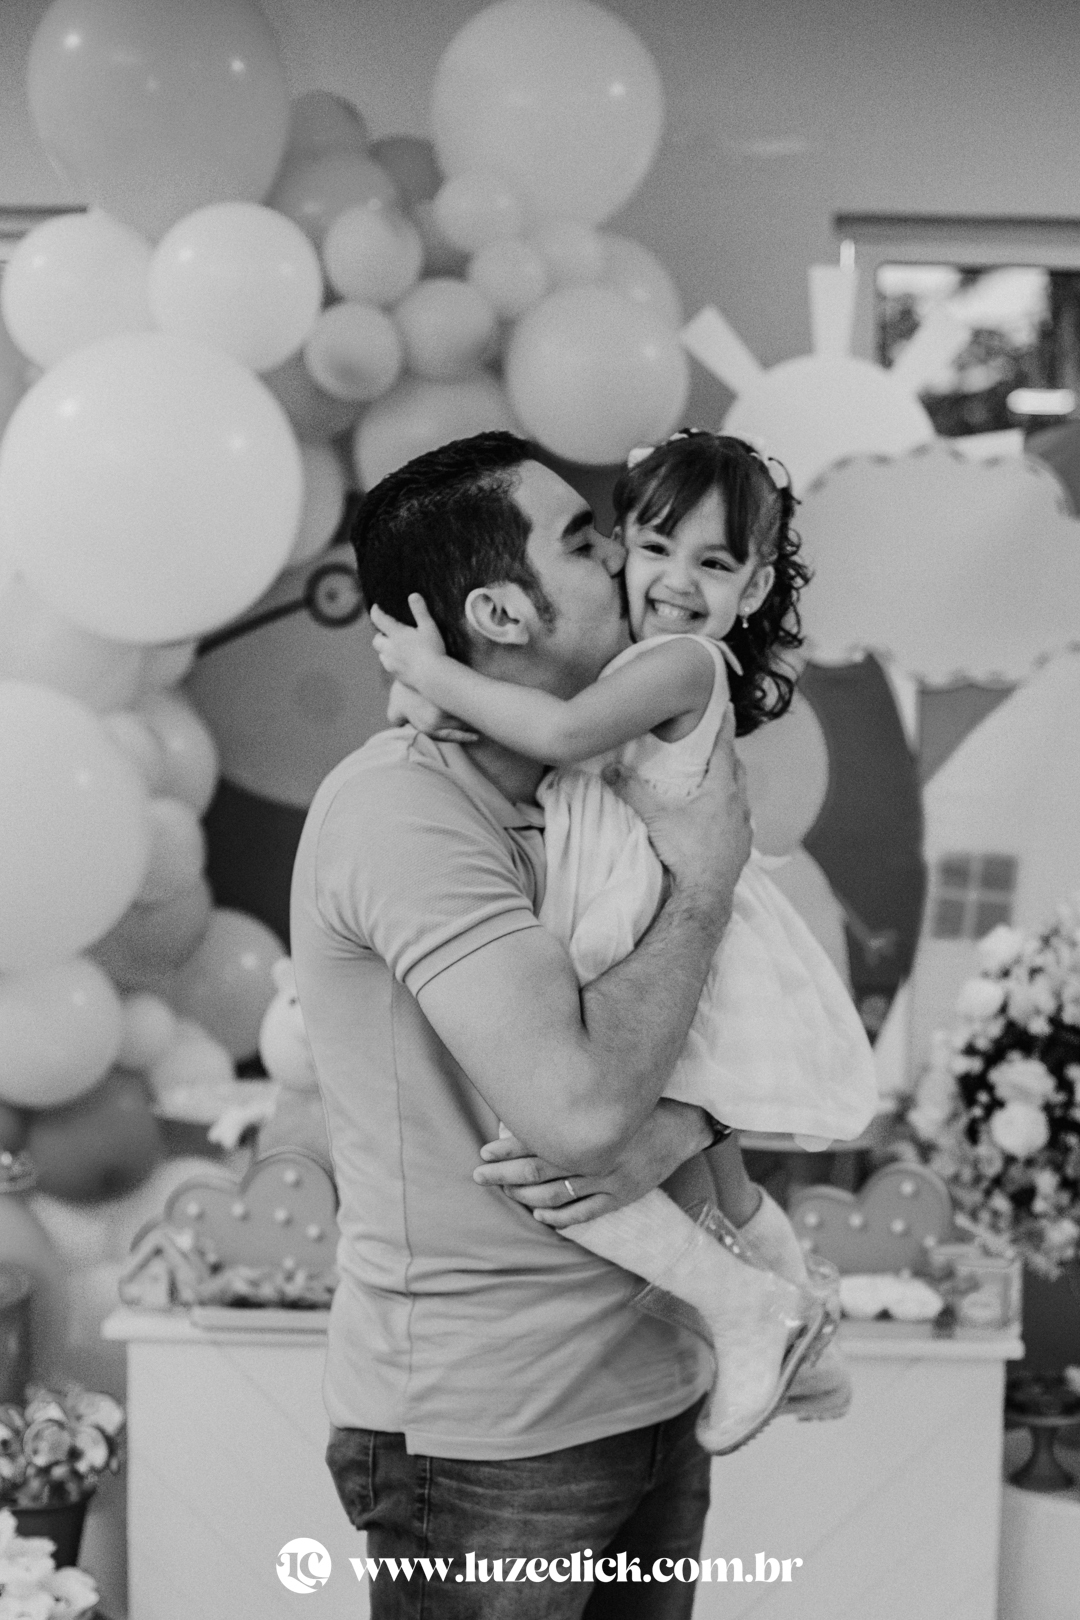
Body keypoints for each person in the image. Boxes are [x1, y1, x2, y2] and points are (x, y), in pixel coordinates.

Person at [291, 431, 814, 1619]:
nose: (630, 562)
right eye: (590, 543)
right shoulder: (403, 809)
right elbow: (579, 1113)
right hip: (494, 1436)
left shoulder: (594, 791)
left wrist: (687, 1124)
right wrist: (705, 885)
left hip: (656, 1389)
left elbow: (708, 1027)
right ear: (500, 613)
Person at [370, 430, 877, 1454]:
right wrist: (430, 692)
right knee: (717, 1181)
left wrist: (430, 671)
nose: (675, 580)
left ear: (754, 585)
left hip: (639, 913)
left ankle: (750, 1312)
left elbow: (559, 737)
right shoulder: (629, 666)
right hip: (654, 901)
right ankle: (802, 1328)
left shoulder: (679, 663)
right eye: (652, 546)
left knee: (566, 1157)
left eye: (715, 562)